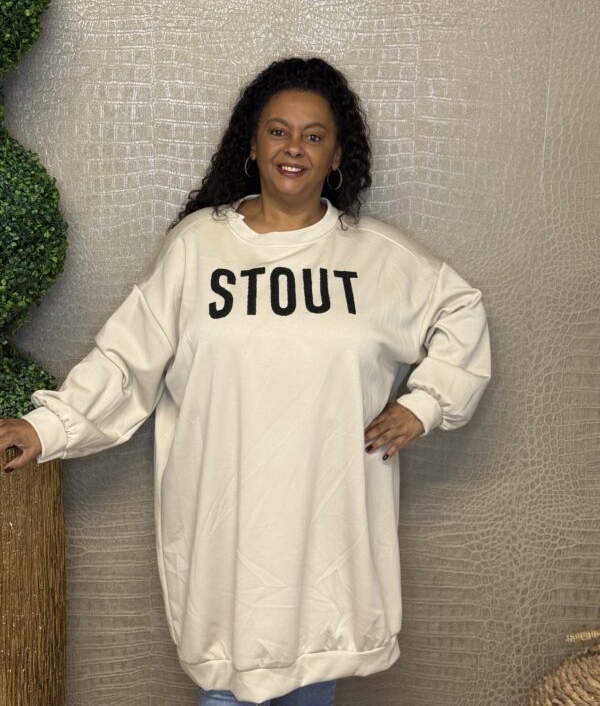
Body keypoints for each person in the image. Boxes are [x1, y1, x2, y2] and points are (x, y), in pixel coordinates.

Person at [0, 57, 491, 706]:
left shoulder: (376, 257)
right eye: (278, 132)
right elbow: (127, 358)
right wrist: (48, 426)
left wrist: (425, 404)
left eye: (314, 135)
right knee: (228, 685)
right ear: (252, 146)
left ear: (337, 155)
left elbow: (460, 310)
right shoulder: (199, 248)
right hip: (227, 550)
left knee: (311, 678)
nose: (294, 148)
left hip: (328, 552)